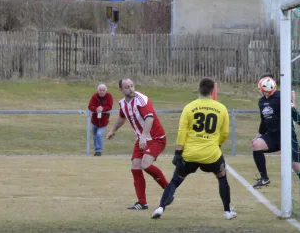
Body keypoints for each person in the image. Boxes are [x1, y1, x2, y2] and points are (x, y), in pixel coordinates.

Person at [151, 78, 237, 220]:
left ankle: (160, 208)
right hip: (211, 154)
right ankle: (227, 212)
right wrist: (218, 145)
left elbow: (182, 132)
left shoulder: (189, 107)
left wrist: (178, 152)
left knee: (174, 181)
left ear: (199, 89)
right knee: (222, 178)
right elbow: (225, 133)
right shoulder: (221, 109)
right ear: (212, 91)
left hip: (190, 154)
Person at [251, 73, 300, 212]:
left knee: (297, 167)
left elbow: (294, 113)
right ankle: (264, 178)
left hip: (288, 137)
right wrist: (258, 136)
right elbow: (263, 122)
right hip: (273, 137)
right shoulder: (261, 102)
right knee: (256, 144)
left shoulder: (281, 97)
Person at [106, 78, 169, 210]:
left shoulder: (141, 99)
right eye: (127, 87)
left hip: (156, 138)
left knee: (145, 165)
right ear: (121, 90)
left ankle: (169, 190)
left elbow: (149, 118)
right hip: (143, 138)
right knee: (135, 167)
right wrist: (113, 130)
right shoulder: (122, 103)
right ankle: (142, 202)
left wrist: (144, 136)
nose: (131, 89)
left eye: (132, 86)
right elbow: (122, 118)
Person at [87, 83, 114, 156]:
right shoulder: (94, 96)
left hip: (104, 121)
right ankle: (96, 150)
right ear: (98, 90)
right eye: (100, 90)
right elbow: (90, 106)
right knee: (95, 135)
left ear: (106, 91)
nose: (102, 91)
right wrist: (96, 109)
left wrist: (103, 109)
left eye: (103, 90)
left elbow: (110, 106)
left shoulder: (109, 96)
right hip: (94, 121)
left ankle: (99, 150)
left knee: (99, 134)